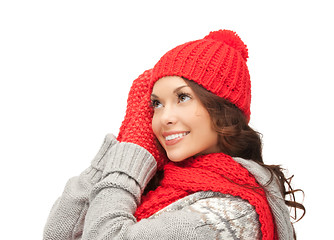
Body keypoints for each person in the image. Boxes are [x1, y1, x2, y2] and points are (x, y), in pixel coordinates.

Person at [43, 30, 305, 240]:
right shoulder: (158, 181)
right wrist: (127, 142)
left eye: (182, 97)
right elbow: (59, 234)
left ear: (223, 110)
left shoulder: (232, 214)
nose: (163, 117)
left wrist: (129, 157)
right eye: (156, 103)